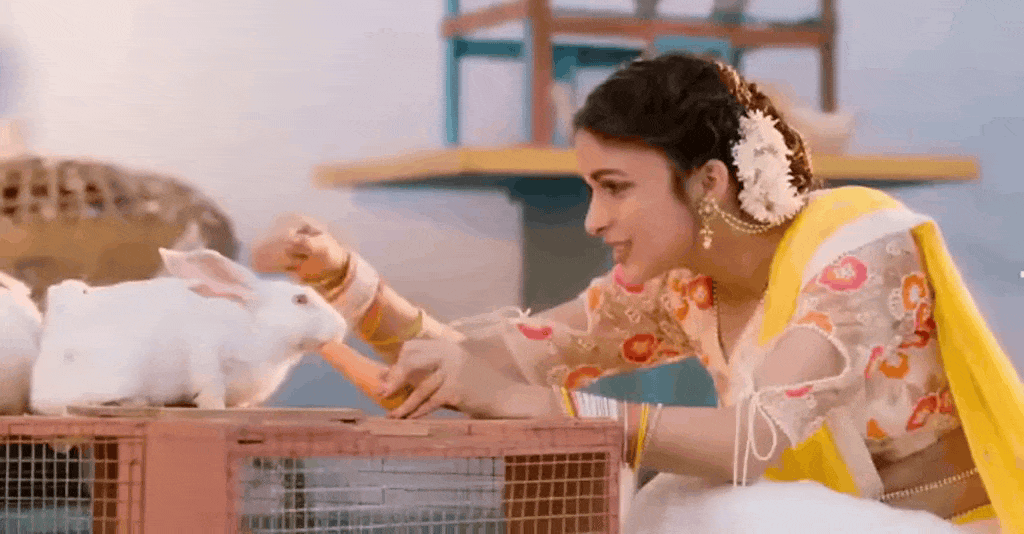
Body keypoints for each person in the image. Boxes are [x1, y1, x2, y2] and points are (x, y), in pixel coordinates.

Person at [252, 53, 1022, 532]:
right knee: (676, 504)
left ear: (709, 182)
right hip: (813, 522)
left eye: (615, 187)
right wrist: (340, 279)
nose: (594, 220)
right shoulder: (682, 287)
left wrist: (534, 405)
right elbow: (478, 364)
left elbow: (748, 444)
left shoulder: (857, 249)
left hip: (954, 529)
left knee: (712, 511)